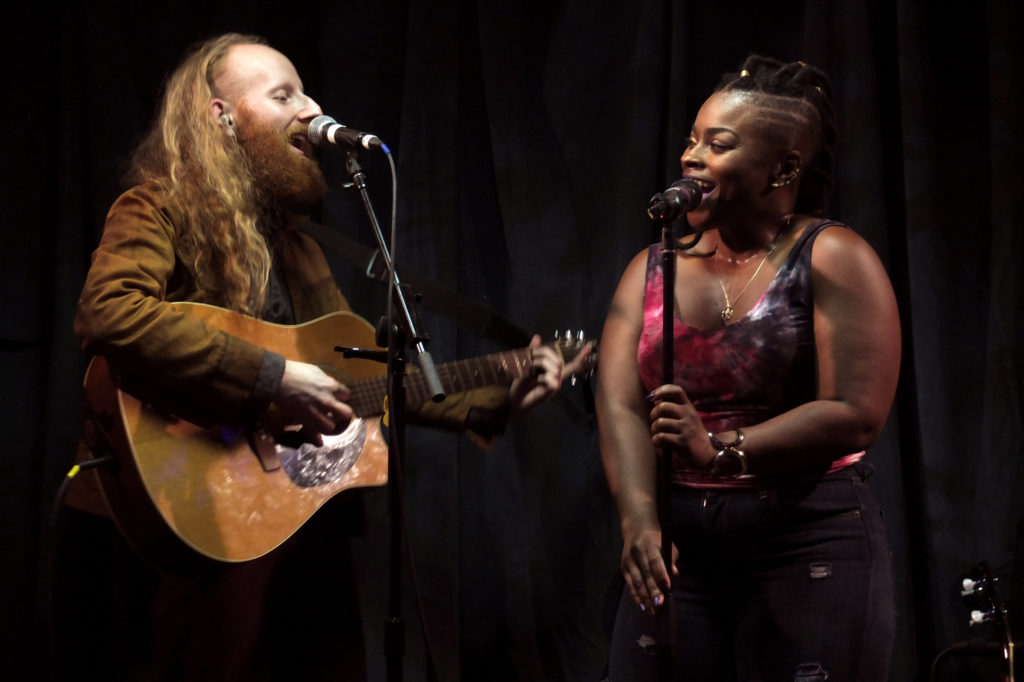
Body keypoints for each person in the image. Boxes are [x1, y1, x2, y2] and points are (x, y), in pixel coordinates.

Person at [63, 32, 584, 681]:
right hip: (201, 506)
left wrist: (498, 394)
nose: (311, 108)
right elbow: (109, 312)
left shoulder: (299, 241)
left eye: (306, 90)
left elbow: (360, 374)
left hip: (301, 516)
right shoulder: (158, 207)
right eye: (284, 94)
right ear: (220, 117)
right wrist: (270, 375)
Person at [596, 55, 900, 681]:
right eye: (691, 140)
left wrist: (724, 449)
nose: (691, 156)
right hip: (683, 548)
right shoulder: (651, 269)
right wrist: (639, 519)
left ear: (784, 168)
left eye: (719, 144)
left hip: (809, 538)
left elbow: (855, 414)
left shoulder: (835, 256)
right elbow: (620, 401)